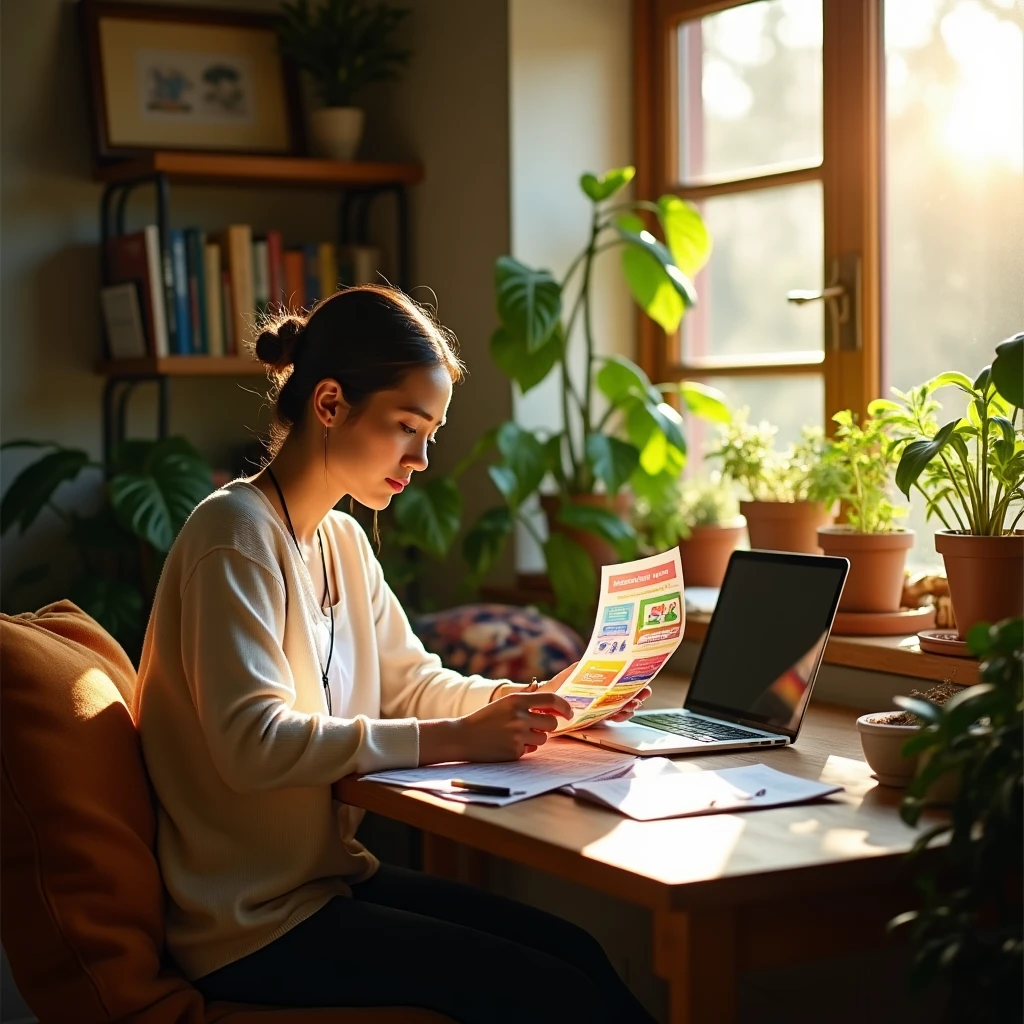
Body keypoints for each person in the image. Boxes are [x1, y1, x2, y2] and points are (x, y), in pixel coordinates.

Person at [133, 285, 656, 1024]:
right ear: (329, 405)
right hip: (249, 925)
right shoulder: (233, 536)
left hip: (326, 885)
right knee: (552, 992)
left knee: (576, 953)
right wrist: (456, 738)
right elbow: (250, 743)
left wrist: (544, 697)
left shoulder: (342, 541)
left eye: (431, 433)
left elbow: (415, 686)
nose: (421, 459)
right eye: (407, 426)